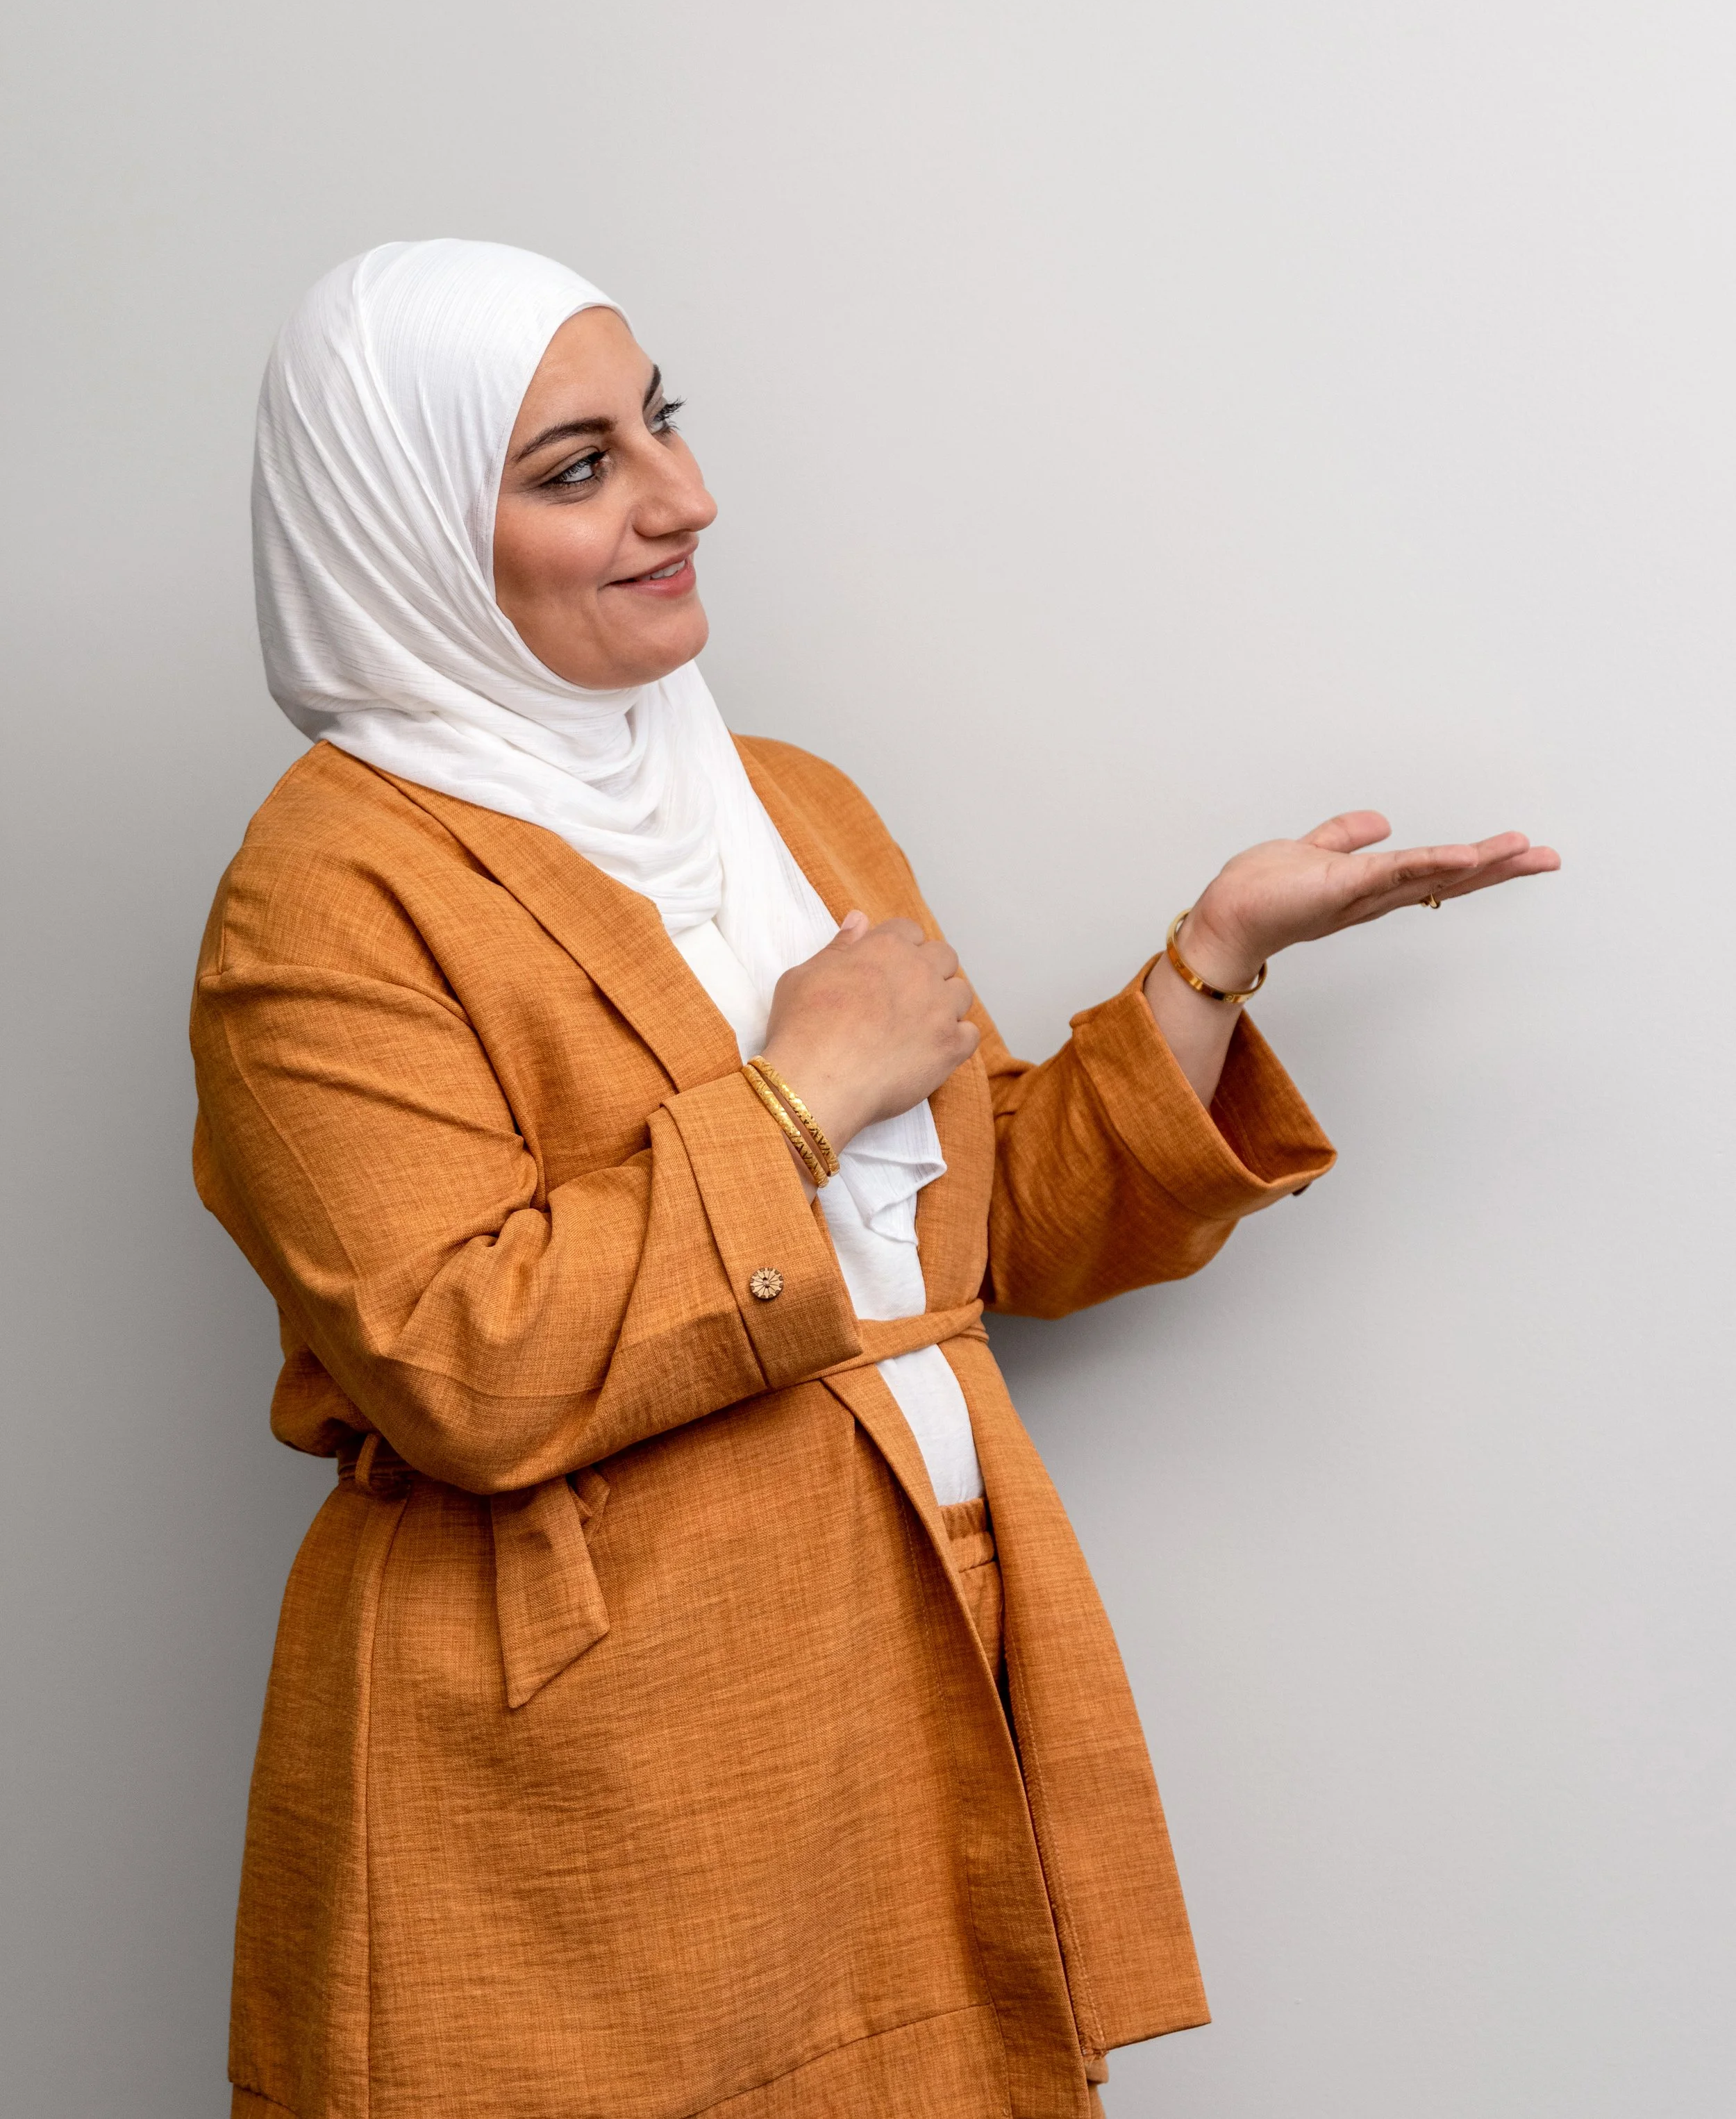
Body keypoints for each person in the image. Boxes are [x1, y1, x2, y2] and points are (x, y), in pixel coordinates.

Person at [192, 240, 1558, 2119]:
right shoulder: (328, 891)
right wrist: (791, 1098)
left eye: (658, 420)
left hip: (896, 1702)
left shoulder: (789, 804)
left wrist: (1216, 957)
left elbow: (984, 1238)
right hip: (578, 1792)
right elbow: (462, 1365)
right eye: (574, 465)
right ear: (407, 529)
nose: (684, 494)